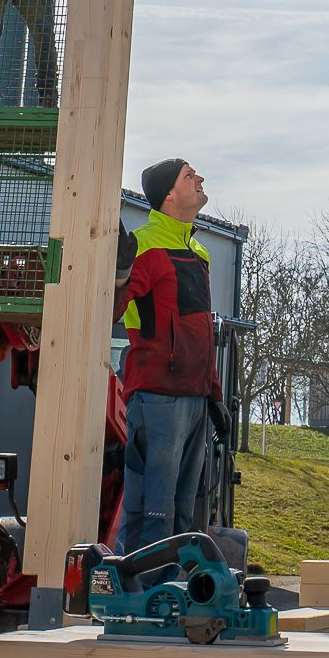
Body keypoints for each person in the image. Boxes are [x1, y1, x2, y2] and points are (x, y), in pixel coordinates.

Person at [113, 159, 226, 555]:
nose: (200, 179)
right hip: (158, 398)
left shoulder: (198, 251)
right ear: (169, 195)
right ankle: (135, 599)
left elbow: (201, 332)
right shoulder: (143, 244)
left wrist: (214, 393)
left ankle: (170, 596)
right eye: (189, 175)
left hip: (195, 399)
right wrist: (119, 274)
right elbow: (109, 311)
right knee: (151, 512)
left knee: (182, 513)